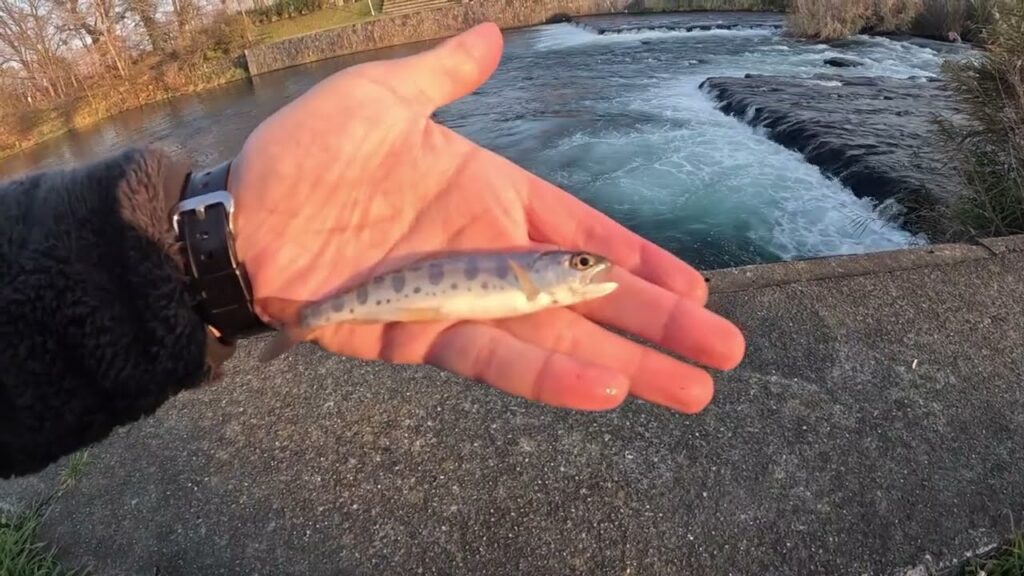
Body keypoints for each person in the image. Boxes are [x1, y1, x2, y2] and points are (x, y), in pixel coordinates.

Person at [0, 22, 745, 479]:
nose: (586, 267)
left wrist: (217, 259)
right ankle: (298, 314)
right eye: (580, 262)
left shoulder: (538, 280)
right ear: (549, 267)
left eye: (582, 264)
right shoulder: (534, 277)